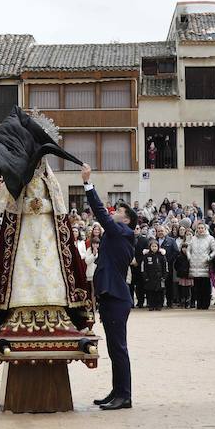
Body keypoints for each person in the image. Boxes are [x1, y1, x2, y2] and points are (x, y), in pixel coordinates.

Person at [82, 164, 136, 411]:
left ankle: (124, 395)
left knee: (119, 348)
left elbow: (102, 215)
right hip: (112, 296)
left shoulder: (122, 233)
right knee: (115, 349)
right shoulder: (117, 235)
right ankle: (117, 391)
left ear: (126, 220)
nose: (114, 212)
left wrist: (88, 184)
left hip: (116, 297)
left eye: (120, 211)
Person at [186, 222, 215, 310]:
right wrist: (189, 257)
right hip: (194, 266)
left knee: (205, 286)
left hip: (205, 265)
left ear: (205, 229)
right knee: (197, 287)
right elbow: (188, 250)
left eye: (202, 228)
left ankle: (205, 304)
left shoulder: (210, 238)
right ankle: (199, 304)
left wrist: (209, 257)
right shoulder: (193, 238)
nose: (200, 230)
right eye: (198, 228)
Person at [140, 239, 168, 311]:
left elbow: (165, 266)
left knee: (159, 292)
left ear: (158, 247)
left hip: (159, 277)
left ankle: (159, 305)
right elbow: (143, 267)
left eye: (155, 246)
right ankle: (151, 305)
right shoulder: (146, 256)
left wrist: (164, 276)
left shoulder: (161, 256)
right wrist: (145, 276)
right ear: (150, 247)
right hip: (150, 278)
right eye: (153, 246)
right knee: (150, 292)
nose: (154, 248)